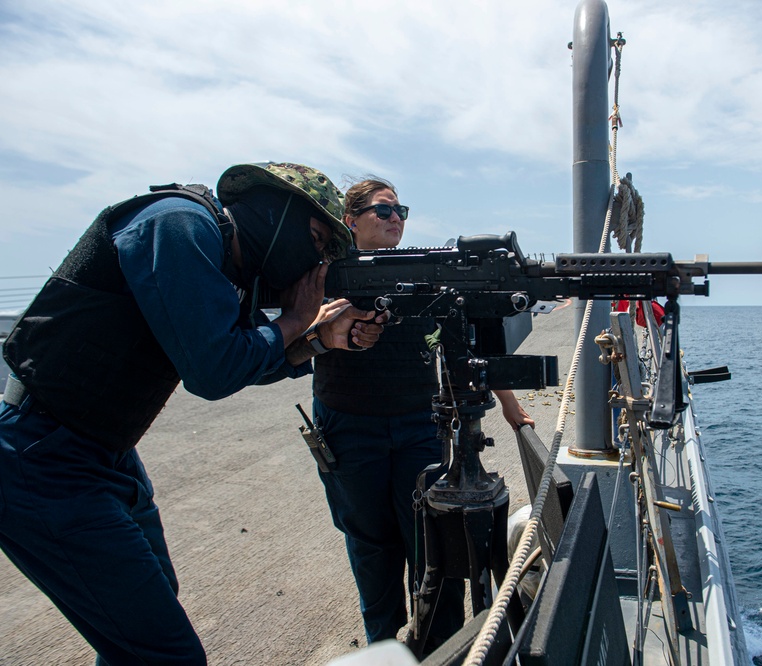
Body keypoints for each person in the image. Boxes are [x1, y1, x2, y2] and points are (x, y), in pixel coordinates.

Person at [0, 162, 385, 665]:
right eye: (315, 240)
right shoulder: (179, 225)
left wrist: (312, 341)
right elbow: (213, 372)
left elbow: (241, 359)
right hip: (42, 456)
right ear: (278, 212)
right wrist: (294, 321)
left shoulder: (225, 263)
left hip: (102, 454)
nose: (316, 263)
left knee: (148, 617)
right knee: (164, 652)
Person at [311, 177, 534, 650]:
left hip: (418, 426)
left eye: (401, 211)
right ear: (351, 221)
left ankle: (443, 647)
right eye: (384, 211)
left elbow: (472, 348)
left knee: (435, 541)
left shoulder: (425, 273)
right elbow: (298, 331)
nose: (396, 219)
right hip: (350, 428)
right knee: (372, 547)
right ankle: (384, 646)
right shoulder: (325, 276)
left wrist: (514, 412)